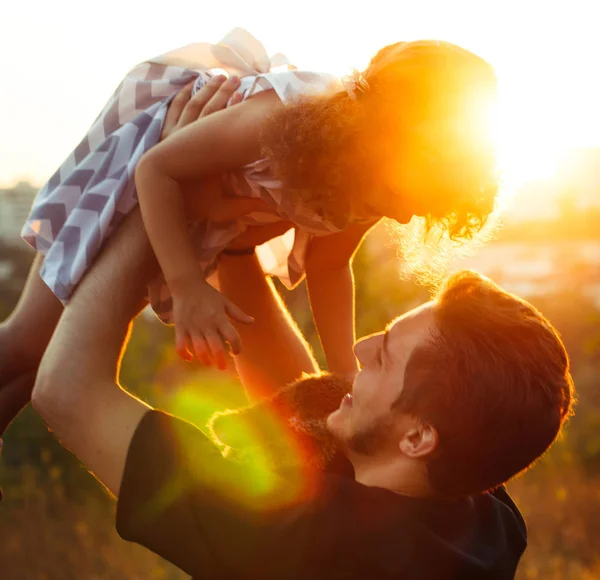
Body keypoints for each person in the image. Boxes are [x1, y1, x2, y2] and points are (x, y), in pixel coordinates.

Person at [29, 149, 574, 580]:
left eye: (383, 356)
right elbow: (311, 404)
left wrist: (154, 197)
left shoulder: (302, 545)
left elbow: (67, 389)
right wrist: (237, 244)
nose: (360, 348)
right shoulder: (485, 523)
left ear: (418, 437)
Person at [0, 28, 499, 450]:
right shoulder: (280, 117)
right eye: (402, 191)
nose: (402, 211)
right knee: (27, 340)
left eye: (423, 205)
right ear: (376, 139)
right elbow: (157, 169)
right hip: (148, 175)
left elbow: (329, 268)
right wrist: (189, 285)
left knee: (49, 350)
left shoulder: (372, 188)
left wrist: (345, 374)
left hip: (192, 218)